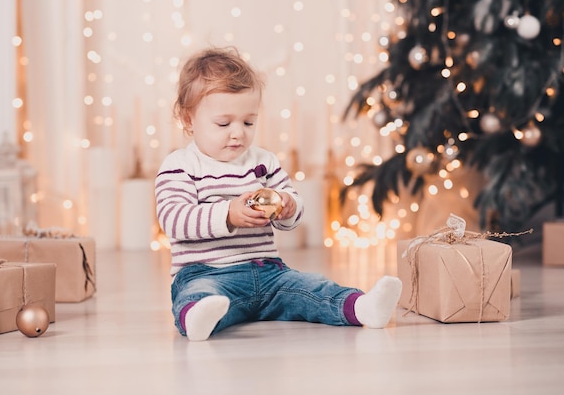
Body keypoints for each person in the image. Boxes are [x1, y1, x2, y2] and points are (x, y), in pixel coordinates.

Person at [155, 46, 402, 341]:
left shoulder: (263, 161)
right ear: (188, 119)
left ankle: (363, 308)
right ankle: (197, 317)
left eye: (248, 122)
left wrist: (287, 205)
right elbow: (174, 220)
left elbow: (291, 211)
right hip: (206, 274)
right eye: (223, 123)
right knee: (198, 294)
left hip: (268, 274)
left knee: (312, 286)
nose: (238, 133)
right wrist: (229, 214)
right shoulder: (180, 165)